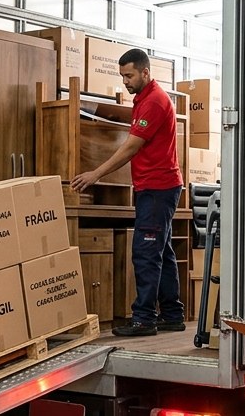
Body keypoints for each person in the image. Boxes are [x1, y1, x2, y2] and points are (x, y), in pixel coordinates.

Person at [71, 48, 184, 337]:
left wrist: (95, 174)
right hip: (156, 187)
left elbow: (131, 147)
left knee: (146, 253)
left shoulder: (154, 102)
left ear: (145, 72)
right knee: (162, 251)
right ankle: (172, 315)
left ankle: (144, 318)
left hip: (158, 188)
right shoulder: (144, 99)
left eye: (130, 75)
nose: (125, 81)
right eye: (122, 76)